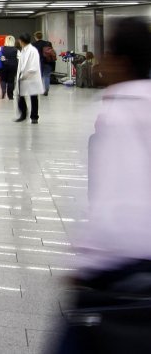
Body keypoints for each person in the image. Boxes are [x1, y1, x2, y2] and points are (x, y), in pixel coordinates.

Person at [59, 17, 151, 353]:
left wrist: (86, 262)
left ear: (121, 60)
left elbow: (110, 196)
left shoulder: (116, 110)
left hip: (121, 269)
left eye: (105, 55)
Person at [15, 33, 42, 124]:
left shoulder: (33, 51)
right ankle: (23, 114)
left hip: (31, 77)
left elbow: (34, 66)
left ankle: (34, 117)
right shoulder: (23, 50)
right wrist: (21, 76)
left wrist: (25, 75)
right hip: (23, 76)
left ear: (22, 41)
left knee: (33, 97)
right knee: (21, 96)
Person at [32, 31, 56, 96]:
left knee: (38, 77)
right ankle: (46, 89)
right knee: (47, 76)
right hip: (48, 62)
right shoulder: (48, 43)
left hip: (38, 63)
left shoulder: (33, 44)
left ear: (35, 37)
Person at [0, 36, 19, 100]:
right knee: (11, 80)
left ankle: (3, 91)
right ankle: (10, 95)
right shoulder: (16, 49)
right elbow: (19, 58)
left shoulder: (1, 48)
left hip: (3, 65)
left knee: (3, 79)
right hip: (13, 66)